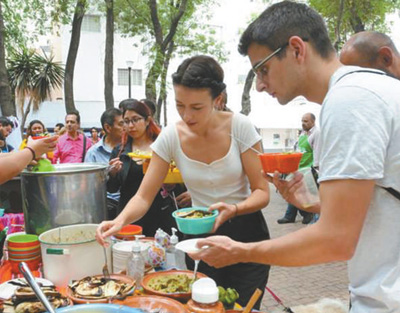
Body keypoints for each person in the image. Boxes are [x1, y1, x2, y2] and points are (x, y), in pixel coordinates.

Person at [189, 2, 400, 313]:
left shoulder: (350, 100)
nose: (260, 85)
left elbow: (336, 240)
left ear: (297, 49)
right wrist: (311, 203)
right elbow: (382, 201)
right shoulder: (370, 90)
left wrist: (241, 251)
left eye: (263, 69)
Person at [96, 56, 271, 309]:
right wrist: (119, 221)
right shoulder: (171, 136)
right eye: (180, 105)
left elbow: (262, 192)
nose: (187, 115)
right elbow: (144, 196)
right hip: (199, 237)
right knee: (201, 307)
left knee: (242, 307)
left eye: (197, 107)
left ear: (218, 99)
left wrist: (234, 208)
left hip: (246, 233)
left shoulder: (240, 128)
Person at [106, 99, 181, 237]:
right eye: (126, 121)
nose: (131, 125)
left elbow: (179, 183)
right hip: (129, 215)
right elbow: (112, 188)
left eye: (136, 120)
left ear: (147, 121)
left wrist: (171, 185)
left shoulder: (162, 147)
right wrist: (113, 174)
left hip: (160, 214)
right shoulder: (120, 150)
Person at [277, 113, 319, 224]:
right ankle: (290, 216)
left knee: (302, 193)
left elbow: (317, 152)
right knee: (294, 190)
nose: (303, 123)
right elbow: (298, 150)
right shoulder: (302, 134)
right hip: (299, 167)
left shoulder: (316, 133)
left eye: (306, 121)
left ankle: (306, 214)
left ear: (313, 122)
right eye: (302, 121)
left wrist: (315, 169)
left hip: (309, 169)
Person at [85, 108, 124, 219]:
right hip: (106, 206)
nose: (125, 127)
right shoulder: (93, 153)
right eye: (121, 124)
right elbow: (90, 186)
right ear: (108, 127)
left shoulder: (130, 149)